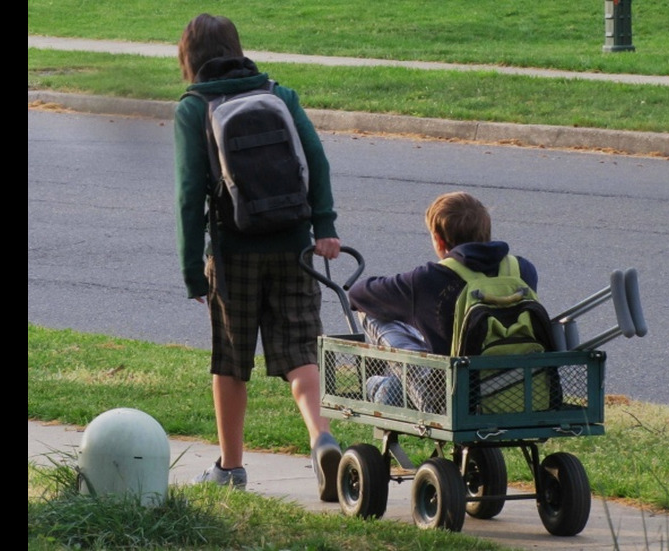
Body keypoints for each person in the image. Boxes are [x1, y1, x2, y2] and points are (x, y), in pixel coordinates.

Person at [174, 13, 342, 501]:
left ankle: (231, 467)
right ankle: (321, 438)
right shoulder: (278, 93)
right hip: (294, 245)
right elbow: (316, 159)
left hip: (233, 252)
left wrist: (193, 272)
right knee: (299, 353)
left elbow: (190, 196)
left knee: (231, 361)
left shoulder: (194, 109)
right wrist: (324, 227)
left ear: (189, 57)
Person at [347, 191, 540, 411]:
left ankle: (383, 386)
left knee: (371, 310)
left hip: (451, 401)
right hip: (522, 390)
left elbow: (358, 294)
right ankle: (395, 386)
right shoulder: (522, 270)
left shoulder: (428, 279)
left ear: (438, 239)